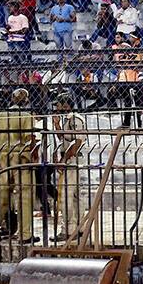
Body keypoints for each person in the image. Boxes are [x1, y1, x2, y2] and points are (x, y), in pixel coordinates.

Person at [0, 88, 37, 244]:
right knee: (25, 195)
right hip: (20, 157)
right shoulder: (27, 116)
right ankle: (25, 234)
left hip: (2, 157)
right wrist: (34, 156)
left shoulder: (0, 116)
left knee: (1, 196)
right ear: (26, 100)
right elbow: (29, 138)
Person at [52, 92, 86, 242]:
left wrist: (64, 159)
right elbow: (65, 138)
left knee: (67, 195)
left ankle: (68, 230)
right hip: (69, 160)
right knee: (75, 196)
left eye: (58, 105)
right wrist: (57, 125)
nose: (56, 107)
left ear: (65, 105)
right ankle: (78, 228)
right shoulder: (67, 120)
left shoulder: (75, 119)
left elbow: (77, 143)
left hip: (72, 161)